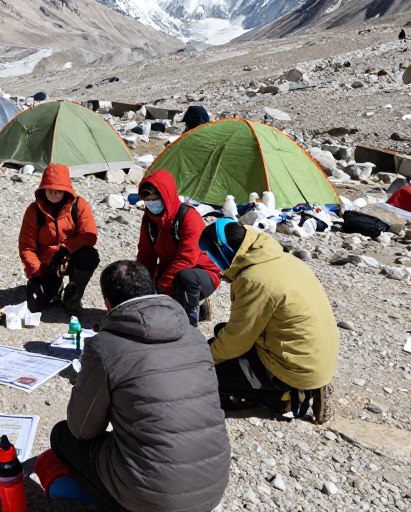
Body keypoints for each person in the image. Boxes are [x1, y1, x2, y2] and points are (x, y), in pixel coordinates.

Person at [48, 260, 230, 512]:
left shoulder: (104, 348)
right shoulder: (194, 337)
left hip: (151, 500)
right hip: (213, 487)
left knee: (62, 436)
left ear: (107, 302)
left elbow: (82, 429)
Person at [201, 219, 339, 423]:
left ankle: (288, 397)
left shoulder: (253, 279)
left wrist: (201, 359)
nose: (212, 261)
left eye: (210, 255)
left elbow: (236, 342)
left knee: (211, 375)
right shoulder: (281, 259)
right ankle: (311, 383)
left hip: (294, 365)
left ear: (224, 250)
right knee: (222, 332)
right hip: (315, 354)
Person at [136, 169, 220, 326]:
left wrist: (162, 286)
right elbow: (146, 255)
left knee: (185, 279)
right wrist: (143, 284)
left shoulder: (189, 217)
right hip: (171, 269)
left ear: (166, 196)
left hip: (201, 272)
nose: (152, 205)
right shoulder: (149, 220)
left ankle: (188, 327)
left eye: (155, 200)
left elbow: (187, 257)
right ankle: (199, 308)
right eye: (148, 201)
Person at [19, 164, 99, 314]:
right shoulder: (34, 211)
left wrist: (66, 248)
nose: (54, 193)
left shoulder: (79, 205)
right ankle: (55, 287)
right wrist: (35, 274)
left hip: (71, 258)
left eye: (59, 191)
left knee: (89, 256)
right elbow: (26, 247)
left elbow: (89, 235)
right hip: (47, 264)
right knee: (35, 306)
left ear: (66, 191)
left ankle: (73, 296)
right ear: (43, 188)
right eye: (50, 189)